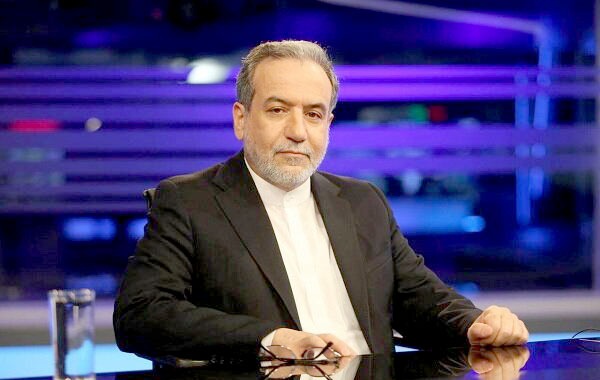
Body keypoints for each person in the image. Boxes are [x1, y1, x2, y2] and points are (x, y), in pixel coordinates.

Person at [113, 40, 528, 361]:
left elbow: (419, 297)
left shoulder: (362, 201)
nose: (298, 132)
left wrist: (476, 323)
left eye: (313, 114)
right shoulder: (189, 201)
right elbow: (141, 315)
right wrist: (271, 340)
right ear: (241, 118)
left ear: (327, 124)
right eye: (278, 110)